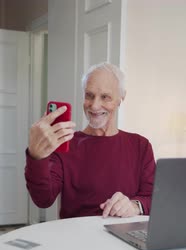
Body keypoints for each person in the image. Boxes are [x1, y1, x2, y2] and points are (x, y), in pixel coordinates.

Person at [25, 62, 156, 219]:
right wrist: (36, 156)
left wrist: (134, 206)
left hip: (124, 235)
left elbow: (153, 197)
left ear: (121, 98)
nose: (94, 106)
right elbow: (43, 200)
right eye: (89, 95)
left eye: (105, 97)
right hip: (77, 237)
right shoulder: (65, 144)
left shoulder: (140, 146)